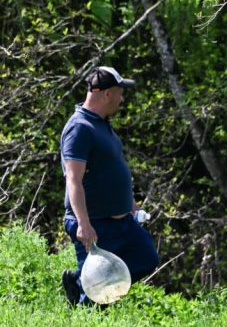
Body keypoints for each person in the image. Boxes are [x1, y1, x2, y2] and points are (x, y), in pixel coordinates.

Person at [60, 66, 159, 306]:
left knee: (146, 258)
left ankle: (81, 282)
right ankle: (85, 297)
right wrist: (83, 223)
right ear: (106, 93)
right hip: (95, 222)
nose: (122, 98)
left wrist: (131, 205)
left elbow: (113, 170)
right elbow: (74, 179)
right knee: (93, 303)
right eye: (120, 92)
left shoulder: (102, 125)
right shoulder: (79, 128)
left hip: (122, 220)